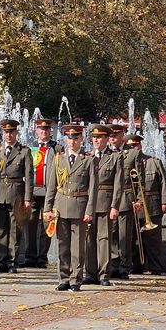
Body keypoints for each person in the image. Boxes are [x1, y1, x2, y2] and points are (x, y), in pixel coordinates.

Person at [44, 123, 97, 291]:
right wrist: (47, 208)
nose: (72, 142)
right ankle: (63, 278)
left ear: (81, 139)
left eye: (75, 138)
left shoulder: (88, 159)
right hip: (60, 206)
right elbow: (51, 185)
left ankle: (76, 279)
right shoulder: (59, 158)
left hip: (79, 206)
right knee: (62, 245)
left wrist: (90, 210)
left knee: (78, 246)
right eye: (69, 138)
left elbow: (93, 188)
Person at [125, 134, 166, 275]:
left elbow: (164, 182)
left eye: (136, 146)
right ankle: (137, 265)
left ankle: (155, 267)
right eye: (131, 147)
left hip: (152, 205)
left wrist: (165, 202)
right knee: (134, 239)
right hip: (134, 206)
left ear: (141, 146)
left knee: (153, 240)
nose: (135, 149)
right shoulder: (127, 165)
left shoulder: (153, 162)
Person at [0, 118, 33, 273]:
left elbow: (29, 176)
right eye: (6, 132)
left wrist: (28, 198)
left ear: (16, 132)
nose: (8, 135)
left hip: (17, 194)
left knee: (15, 231)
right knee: (1, 229)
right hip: (0, 194)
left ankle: (12, 262)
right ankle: (1, 261)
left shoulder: (24, 151)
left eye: (11, 132)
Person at [85, 125, 123, 285]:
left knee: (104, 239)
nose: (96, 140)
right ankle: (90, 274)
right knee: (88, 240)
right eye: (94, 137)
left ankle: (104, 275)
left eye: (99, 137)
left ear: (107, 139)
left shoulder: (115, 157)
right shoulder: (87, 156)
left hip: (105, 203)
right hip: (88, 204)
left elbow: (118, 183)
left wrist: (115, 205)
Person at [23, 119, 59, 268]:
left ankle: (42, 258)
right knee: (30, 225)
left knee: (46, 225)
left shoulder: (57, 148)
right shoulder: (29, 147)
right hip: (32, 192)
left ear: (50, 131)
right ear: (36, 131)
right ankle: (29, 257)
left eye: (47, 129)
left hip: (49, 193)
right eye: (41, 129)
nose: (44, 132)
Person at [110, 124, 137, 279]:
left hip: (126, 197)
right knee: (112, 233)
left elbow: (138, 179)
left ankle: (124, 267)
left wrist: (138, 199)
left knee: (124, 235)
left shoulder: (132, 154)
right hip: (109, 198)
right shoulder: (106, 154)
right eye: (111, 135)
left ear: (122, 135)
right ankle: (113, 264)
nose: (112, 138)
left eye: (115, 135)